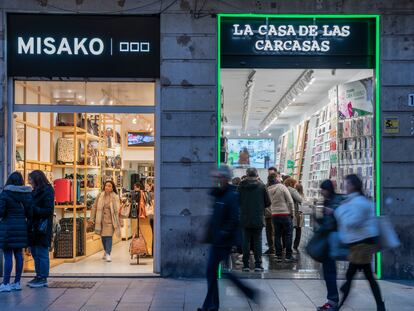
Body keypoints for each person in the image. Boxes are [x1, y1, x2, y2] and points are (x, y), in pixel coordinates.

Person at [198, 166, 256, 311]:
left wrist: (223, 232)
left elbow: (234, 218)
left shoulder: (231, 195)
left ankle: (247, 292)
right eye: (216, 177)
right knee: (214, 273)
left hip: (224, 241)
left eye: (219, 177)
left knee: (217, 272)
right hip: (217, 239)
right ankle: (211, 305)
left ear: (225, 178)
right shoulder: (219, 193)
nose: (217, 180)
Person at [335, 175, 385, 311]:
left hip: (361, 245)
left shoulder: (358, 203)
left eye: (347, 184)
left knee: (350, 276)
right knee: (367, 276)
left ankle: (339, 305)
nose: (345, 187)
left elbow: (351, 222)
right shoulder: (357, 201)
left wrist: (340, 210)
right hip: (361, 245)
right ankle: (380, 305)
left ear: (353, 186)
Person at [0, 172, 33, 292]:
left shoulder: (5, 193)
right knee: (19, 255)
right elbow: (30, 213)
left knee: (8, 256)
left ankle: (5, 284)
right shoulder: (26, 194)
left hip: (8, 227)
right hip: (21, 227)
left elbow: (1, 212)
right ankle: (17, 282)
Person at [317, 180, 344, 311]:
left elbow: (341, 217)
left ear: (328, 189)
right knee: (328, 271)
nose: (321, 192)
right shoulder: (326, 201)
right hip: (327, 241)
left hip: (333, 241)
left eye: (323, 189)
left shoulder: (337, 200)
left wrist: (332, 212)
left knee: (330, 272)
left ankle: (333, 301)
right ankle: (333, 300)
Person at [238, 167, 271, 272]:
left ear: (247, 174)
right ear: (256, 175)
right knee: (257, 241)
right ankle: (257, 265)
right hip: (258, 218)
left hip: (244, 218)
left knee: (245, 242)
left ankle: (246, 265)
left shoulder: (241, 186)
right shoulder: (262, 186)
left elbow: (236, 200)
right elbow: (268, 202)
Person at [27, 170, 54, 288]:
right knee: (34, 251)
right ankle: (38, 275)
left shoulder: (47, 191)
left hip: (42, 226)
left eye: (31, 179)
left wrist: (33, 209)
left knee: (41, 252)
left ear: (37, 179)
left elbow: (48, 210)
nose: (29, 182)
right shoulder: (35, 191)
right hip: (33, 226)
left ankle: (43, 277)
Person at [89, 180, 122, 262]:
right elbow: (94, 207)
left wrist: (120, 221)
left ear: (112, 188)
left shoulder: (115, 197)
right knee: (103, 237)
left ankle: (108, 253)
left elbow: (118, 210)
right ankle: (105, 250)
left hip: (111, 220)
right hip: (100, 220)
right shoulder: (100, 195)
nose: (107, 187)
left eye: (109, 186)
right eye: (106, 185)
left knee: (108, 237)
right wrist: (91, 218)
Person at [267, 173, 295, 262]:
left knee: (277, 235)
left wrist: (272, 212)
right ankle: (288, 256)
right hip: (285, 214)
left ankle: (278, 255)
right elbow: (290, 201)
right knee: (288, 234)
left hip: (275, 215)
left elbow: (267, 204)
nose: (280, 178)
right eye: (278, 177)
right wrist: (292, 213)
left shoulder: (268, 189)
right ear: (276, 178)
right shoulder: (282, 187)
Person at [283, 178, 303, 252]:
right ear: (291, 183)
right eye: (294, 183)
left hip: (284, 211)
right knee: (298, 229)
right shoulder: (292, 190)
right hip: (294, 211)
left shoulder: (283, 188)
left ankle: (284, 246)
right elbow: (300, 199)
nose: (295, 185)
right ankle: (294, 246)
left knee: (285, 230)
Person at [264, 172, 277, 255]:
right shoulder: (281, 187)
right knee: (275, 231)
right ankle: (276, 248)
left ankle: (272, 248)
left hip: (268, 212)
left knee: (269, 231)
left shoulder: (265, 188)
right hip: (277, 212)